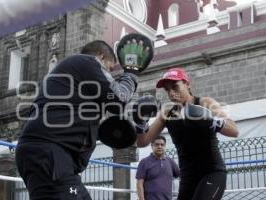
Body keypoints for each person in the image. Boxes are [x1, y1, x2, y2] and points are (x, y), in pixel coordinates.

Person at [15, 40, 139, 200]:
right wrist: (130, 75)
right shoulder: (87, 62)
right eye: (109, 68)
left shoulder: (72, 80)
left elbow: (91, 122)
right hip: (49, 152)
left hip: (46, 153)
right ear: (101, 56)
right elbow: (118, 98)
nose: (109, 75)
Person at [135, 67, 239, 200]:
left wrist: (211, 121)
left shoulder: (204, 103)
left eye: (175, 87)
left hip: (212, 172)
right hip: (188, 178)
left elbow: (234, 130)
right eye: (167, 90)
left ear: (187, 84)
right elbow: (142, 142)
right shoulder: (167, 113)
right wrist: (140, 123)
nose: (172, 93)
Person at [136, 135, 179, 200]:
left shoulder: (170, 161)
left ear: (165, 146)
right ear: (152, 146)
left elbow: (181, 174)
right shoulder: (144, 162)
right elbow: (139, 183)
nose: (160, 147)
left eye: (162, 145)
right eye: (157, 144)